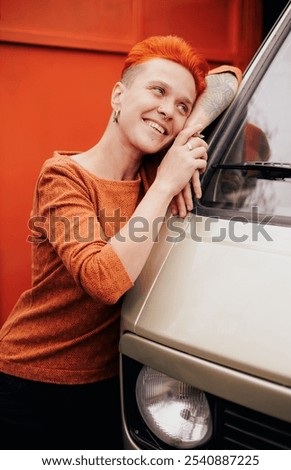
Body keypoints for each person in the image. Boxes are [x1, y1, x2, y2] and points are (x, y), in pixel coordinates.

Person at [0, 35, 241, 450]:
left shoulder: (153, 170)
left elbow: (230, 79)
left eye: (181, 106)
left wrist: (189, 131)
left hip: (111, 384)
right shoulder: (64, 176)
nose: (168, 110)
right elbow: (105, 280)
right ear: (118, 95)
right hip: (31, 383)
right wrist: (165, 183)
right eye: (157, 91)